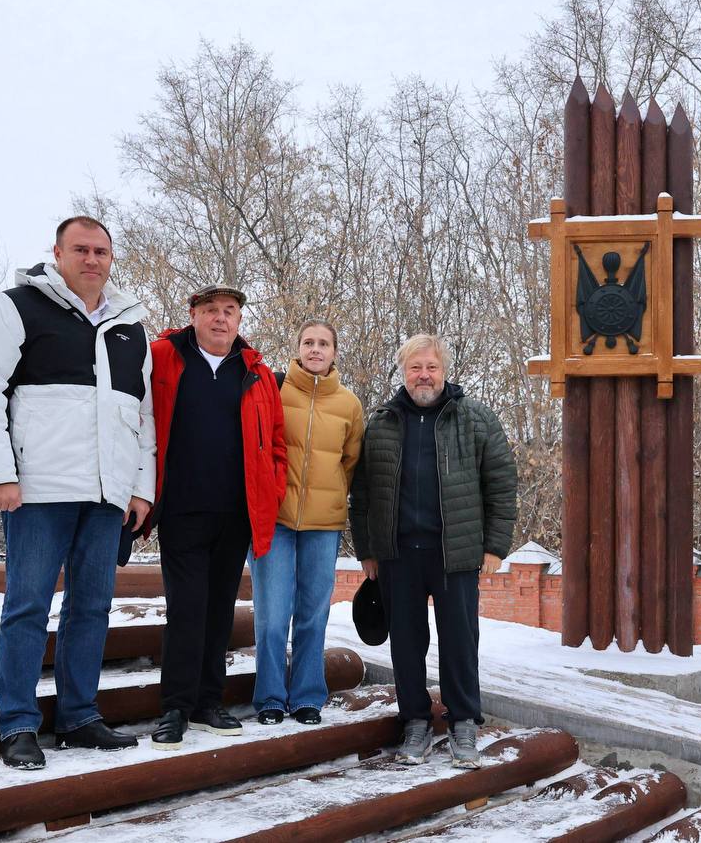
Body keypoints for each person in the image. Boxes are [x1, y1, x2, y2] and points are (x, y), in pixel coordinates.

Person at [0, 216, 155, 769]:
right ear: (58, 253)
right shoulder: (18, 306)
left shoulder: (129, 325)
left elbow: (142, 414)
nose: (92, 260)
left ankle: (79, 716)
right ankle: (18, 724)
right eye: (81, 250)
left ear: (111, 258)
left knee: (91, 607)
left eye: (101, 251)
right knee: (28, 605)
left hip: (106, 494)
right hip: (38, 490)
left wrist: (141, 488)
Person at [349, 333, 517, 769]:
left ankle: (463, 722)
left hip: (455, 552)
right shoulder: (382, 422)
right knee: (406, 643)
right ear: (403, 372)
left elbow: (501, 483)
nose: (424, 375)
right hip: (398, 553)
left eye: (431, 367)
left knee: (460, 641)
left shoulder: (475, 419)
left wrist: (496, 545)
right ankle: (416, 722)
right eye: (415, 368)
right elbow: (363, 493)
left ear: (444, 370)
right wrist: (367, 549)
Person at [142, 285, 286, 750]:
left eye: (229, 312)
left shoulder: (257, 371)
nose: (220, 319)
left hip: (237, 511)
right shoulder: (164, 356)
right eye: (211, 311)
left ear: (239, 320)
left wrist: (271, 487)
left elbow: (277, 442)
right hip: (183, 508)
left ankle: (209, 702)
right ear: (193, 316)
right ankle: (175, 708)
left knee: (221, 609)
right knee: (187, 608)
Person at [250, 321, 363, 726]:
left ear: (334, 352)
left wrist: (330, 495)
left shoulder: (349, 403)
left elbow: (350, 462)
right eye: (308, 342)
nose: (316, 349)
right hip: (275, 520)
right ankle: (269, 698)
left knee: (314, 614)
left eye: (324, 343)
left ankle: (307, 697)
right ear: (297, 348)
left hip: (324, 524)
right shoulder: (274, 391)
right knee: (272, 613)